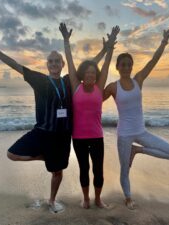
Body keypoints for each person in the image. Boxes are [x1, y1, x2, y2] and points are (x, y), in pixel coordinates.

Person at [0, 30, 110, 213]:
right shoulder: (39, 80)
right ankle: (44, 156)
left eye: (57, 61)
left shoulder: (68, 81)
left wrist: (105, 50)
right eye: (51, 61)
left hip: (63, 136)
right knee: (12, 154)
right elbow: (15, 65)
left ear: (63, 64)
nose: (54, 63)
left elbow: (89, 66)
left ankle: (52, 200)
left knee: (57, 172)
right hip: (42, 132)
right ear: (47, 65)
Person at [103, 25, 169, 209]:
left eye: (129, 64)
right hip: (124, 135)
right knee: (124, 170)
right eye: (123, 65)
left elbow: (154, 60)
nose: (127, 67)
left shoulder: (138, 80)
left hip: (141, 132)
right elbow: (94, 100)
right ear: (117, 67)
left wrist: (164, 40)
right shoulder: (113, 86)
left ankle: (137, 151)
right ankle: (128, 197)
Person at [59, 23, 120, 209]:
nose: (91, 74)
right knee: (84, 169)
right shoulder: (76, 86)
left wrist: (109, 47)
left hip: (96, 136)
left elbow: (107, 64)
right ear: (82, 74)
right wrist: (66, 40)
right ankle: (86, 199)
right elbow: (69, 61)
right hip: (78, 137)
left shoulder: (98, 88)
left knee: (98, 170)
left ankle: (98, 199)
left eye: (94, 72)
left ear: (96, 75)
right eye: (88, 72)